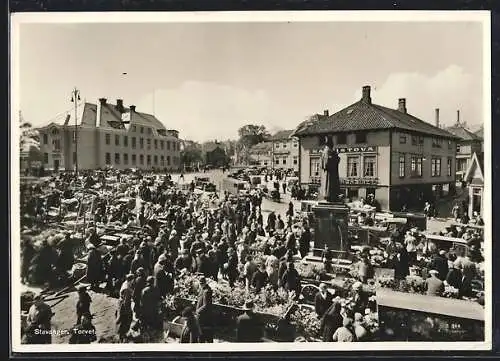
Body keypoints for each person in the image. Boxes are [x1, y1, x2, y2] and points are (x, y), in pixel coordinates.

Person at [195, 277, 214, 343]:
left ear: (205, 283)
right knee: (203, 334)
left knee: (202, 334)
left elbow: (206, 305)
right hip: (202, 316)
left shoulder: (206, 291)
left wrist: (198, 311)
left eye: (201, 283)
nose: (200, 285)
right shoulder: (203, 289)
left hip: (203, 316)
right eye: (200, 283)